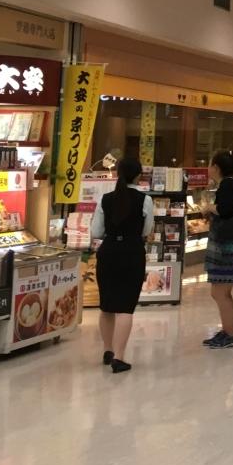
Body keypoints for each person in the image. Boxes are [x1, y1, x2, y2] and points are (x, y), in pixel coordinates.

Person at [92, 157, 152, 374]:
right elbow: (146, 230)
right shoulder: (145, 200)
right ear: (138, 175)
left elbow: (96, 231)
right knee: (125, 307)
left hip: (108, 252)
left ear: (118, 174)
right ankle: (119, 357)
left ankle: (107, 350)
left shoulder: (106, 199)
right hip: (132, 252)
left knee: (107, 305)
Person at [203, 150, 233, 347]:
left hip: (227, 248)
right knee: (220, 292)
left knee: (220, 292)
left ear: (216, 167)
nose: (208, 168)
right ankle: (227, 330)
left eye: (209, 164)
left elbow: (225, 210)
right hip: (231, 245)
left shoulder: (227, 185)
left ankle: (231, 334)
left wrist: (209, 208)